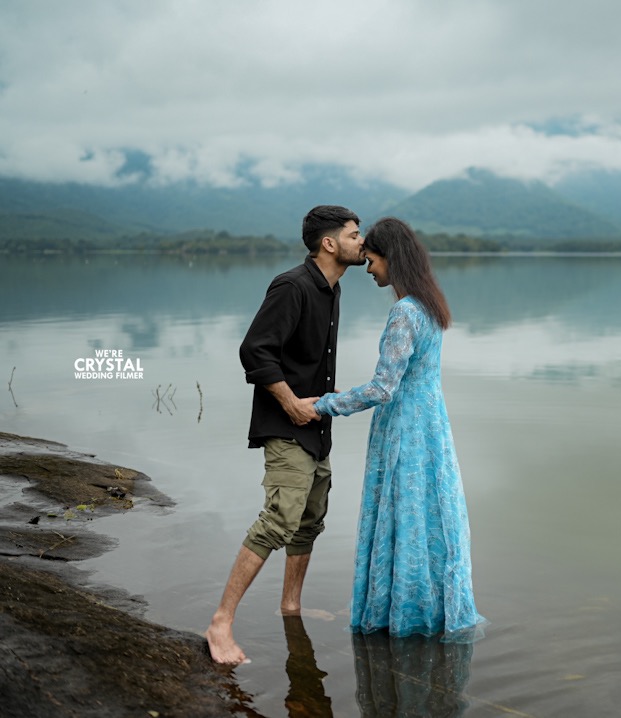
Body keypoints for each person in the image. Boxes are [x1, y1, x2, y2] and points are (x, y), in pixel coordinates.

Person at [307, 217, 484, 640]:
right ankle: (430, 609)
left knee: (403, 515)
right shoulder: (429, 305)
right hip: (432, 425)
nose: (368, 269)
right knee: (427, 516)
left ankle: (400, 613)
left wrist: (326, 404)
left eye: (371, 260)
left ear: (391, 258)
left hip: (404, 428)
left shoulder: (404, 313)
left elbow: (383, 388)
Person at [205, 205, 364, 664]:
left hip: (317, 428)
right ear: (329, 243)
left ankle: (290, 606)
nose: (362, 241)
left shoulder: (330, 290)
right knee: (278, 520)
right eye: (354, 235)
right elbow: (255, 350)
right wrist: (290, 402)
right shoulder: (292, 285)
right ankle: (221, 623)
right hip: (287, 425)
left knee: (309, 522)